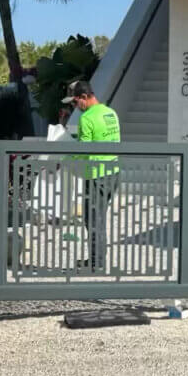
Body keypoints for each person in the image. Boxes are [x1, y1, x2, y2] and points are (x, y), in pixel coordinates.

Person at [63, 81, 120, 271]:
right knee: (99, 217)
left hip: (96, 175)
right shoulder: (110, 113)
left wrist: (64, 158)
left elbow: (84, 150)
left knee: (93, 219)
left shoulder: (86, 118)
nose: (74, 106)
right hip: (113, 171)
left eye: (75, 101)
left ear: (84, 97)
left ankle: (96, 263)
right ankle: (98, 259)